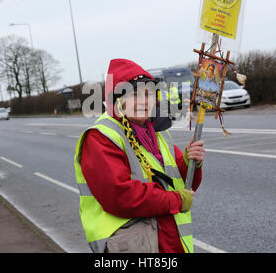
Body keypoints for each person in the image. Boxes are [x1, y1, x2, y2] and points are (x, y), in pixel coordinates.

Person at [74, 59, 205, 253]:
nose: (143, 101)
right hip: (134, 246)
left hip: (169, 243)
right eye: (134, 95)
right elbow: (120, 195)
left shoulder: (158, 133)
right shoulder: (101, 137)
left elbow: (182, 185)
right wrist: (175, 200)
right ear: (117, 100)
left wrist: (189, 163)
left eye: (148, 94)